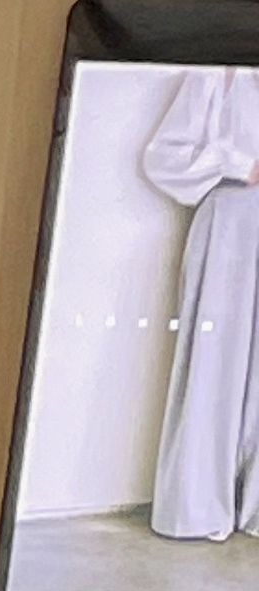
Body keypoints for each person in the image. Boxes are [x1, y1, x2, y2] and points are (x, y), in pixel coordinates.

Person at [145, 63, 259, 545]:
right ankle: (198, 504)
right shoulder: (217, 78)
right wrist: (241, 164)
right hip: (231, 225)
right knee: (214, 362)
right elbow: (163, 156)